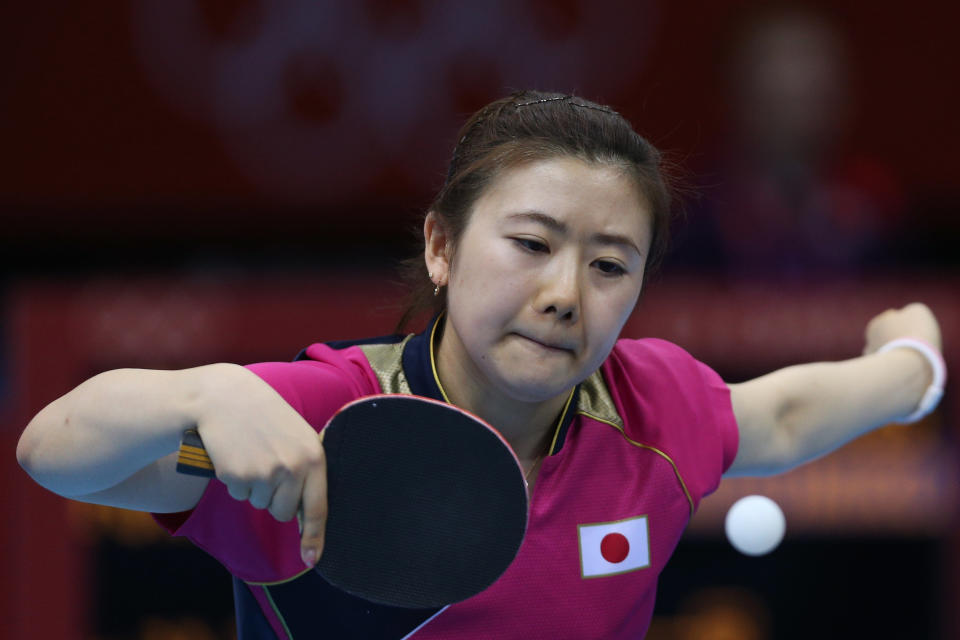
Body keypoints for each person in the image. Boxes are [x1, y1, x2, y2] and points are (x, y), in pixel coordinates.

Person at [17, 91, 945, 639]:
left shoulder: (649, 410)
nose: (565, 293)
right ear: (442, 248)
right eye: (531, 243)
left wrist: (910, 366)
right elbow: (53, 451)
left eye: (610, 263)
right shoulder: (331, 419)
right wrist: (206, 392)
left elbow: (778, 418)